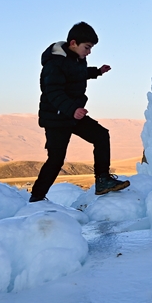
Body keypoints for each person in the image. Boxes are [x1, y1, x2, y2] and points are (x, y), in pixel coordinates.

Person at [29, 21, 130, 202]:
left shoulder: (77, 59)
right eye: (87, 47)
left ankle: (103, 180)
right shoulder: (54, 63)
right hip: (56, 117)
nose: (89, 51)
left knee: (101, 135)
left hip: (73, 114)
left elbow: (77, 74)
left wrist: (97, 72)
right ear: (73, 43)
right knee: (56, 160)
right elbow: (53, 91)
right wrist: (72, 109)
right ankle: (36, 198)